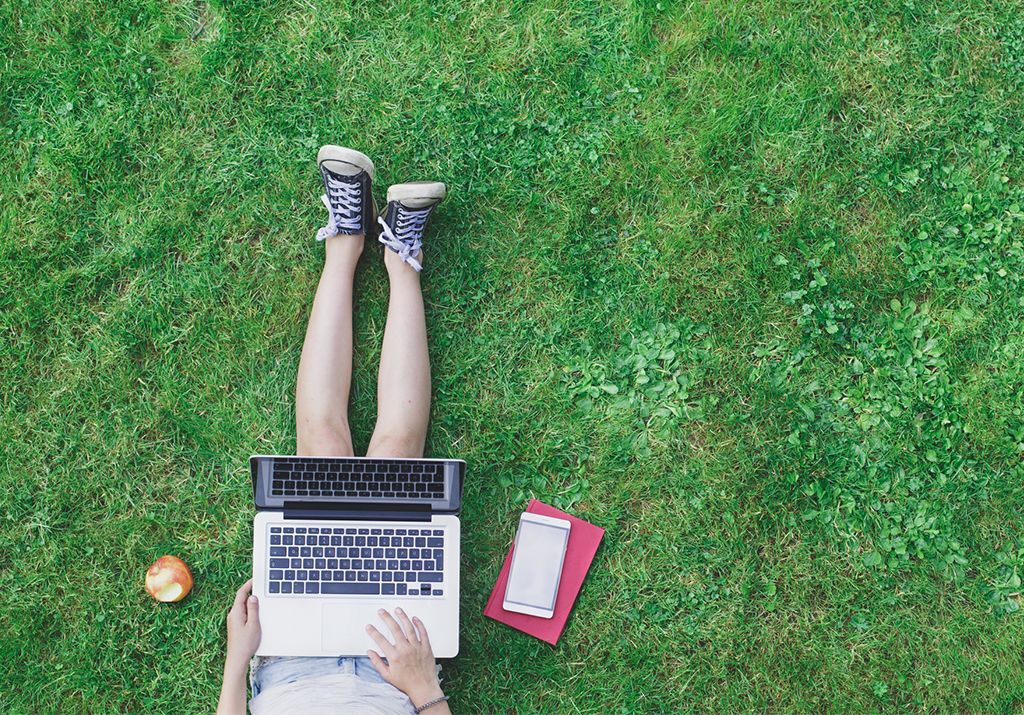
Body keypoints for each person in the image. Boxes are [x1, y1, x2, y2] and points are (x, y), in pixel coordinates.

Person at [215, 146, 452, 714]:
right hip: (393, 674)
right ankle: (401, 258)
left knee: (321, 445)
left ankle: (345, 244)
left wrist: (236, 661)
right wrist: (425, 689)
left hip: (292, 663)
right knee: (397, 457)